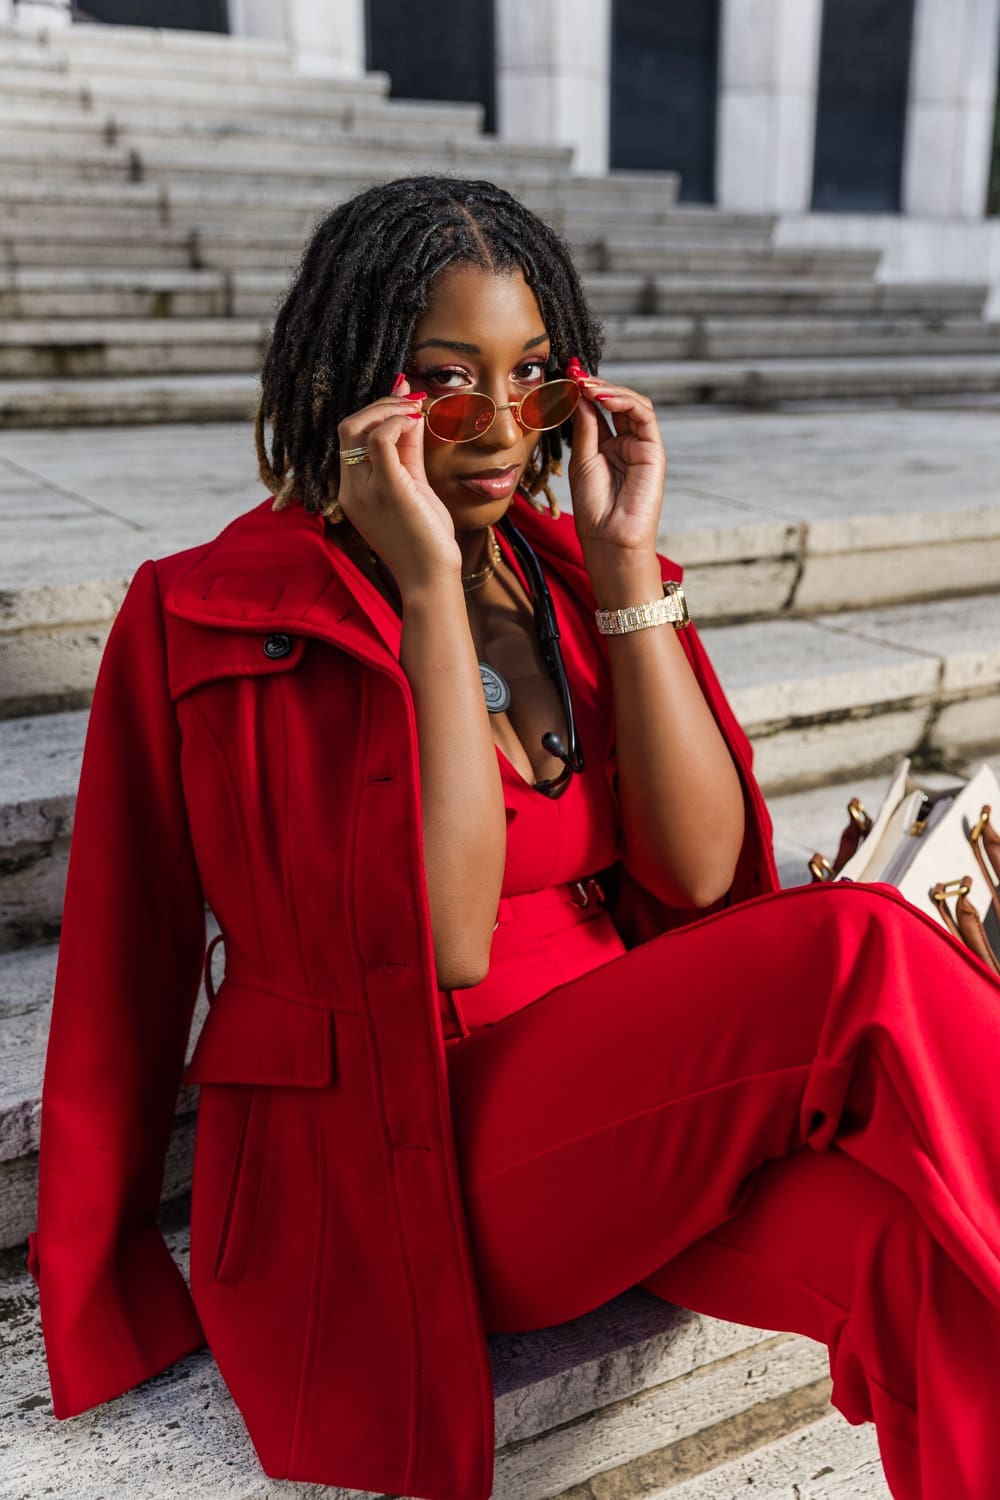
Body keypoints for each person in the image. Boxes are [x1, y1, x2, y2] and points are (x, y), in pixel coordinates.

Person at [25, 174, 1000, 1500]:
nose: (499, 426)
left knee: (921, 1261)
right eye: (446, 380)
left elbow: (700, 874)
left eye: (534, 375)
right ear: (353, 379)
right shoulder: (202, 613)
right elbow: (417, 940)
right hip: (410, 1151)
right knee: (853, 948)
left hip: (642, 1101)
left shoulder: (555, 562)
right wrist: (427, 596)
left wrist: (623, 575)